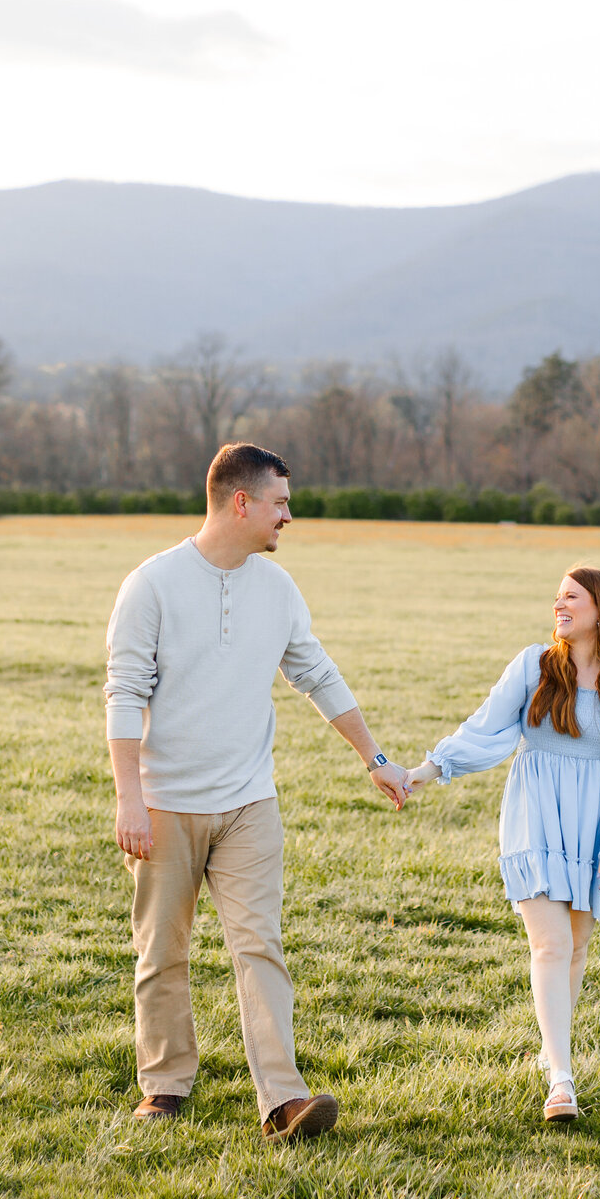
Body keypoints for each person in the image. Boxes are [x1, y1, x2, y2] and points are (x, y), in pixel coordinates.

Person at [104, 442, 412, 1142]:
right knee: (162, 951)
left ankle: (282, 1101)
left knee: (260, 947)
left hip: (249, 804)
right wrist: (129, 800)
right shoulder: (150, 585)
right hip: (163, 804)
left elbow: (318, 676)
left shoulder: (278, 589)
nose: (289, 516)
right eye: (280, 503)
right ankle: (165, 1085)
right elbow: (123, 696)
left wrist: (377, 758)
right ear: (240, 503)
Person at [406, 564, 600, 1123]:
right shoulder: (535, 665)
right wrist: (429, 769)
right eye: (557, 597)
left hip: (594, 828)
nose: (558, 605)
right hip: (535, 818)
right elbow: (486, 727)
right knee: (552, 946)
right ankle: (561, 1081)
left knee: (576, 948)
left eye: (571, 597)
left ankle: (550, 1045)